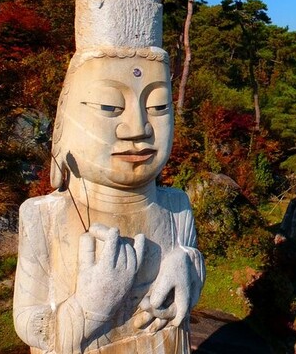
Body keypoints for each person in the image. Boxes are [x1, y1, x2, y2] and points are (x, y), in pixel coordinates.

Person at [13, 48, 204, 353]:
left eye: (158, 105)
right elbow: (27, 319)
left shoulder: (176, 206)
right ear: (66, 117)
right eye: (109, 105)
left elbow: (190, 274)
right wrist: (89, 307)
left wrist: (187, 263)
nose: (138, 128)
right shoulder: (44, 215)